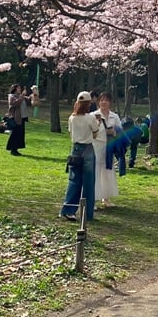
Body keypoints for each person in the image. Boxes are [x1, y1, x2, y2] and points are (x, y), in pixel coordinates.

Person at [60, 91, 101, 222]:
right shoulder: (90, 118)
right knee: (88, 183)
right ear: (88, 104)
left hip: (75, 149)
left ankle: (68, 210)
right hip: (88, 149)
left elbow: (70, 132)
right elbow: (95, 134)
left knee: (74, 181)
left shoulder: (72, 118)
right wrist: (98, 123)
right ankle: (87, 213)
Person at [93, 92, 121, 208]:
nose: (104, 102)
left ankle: (106, 198)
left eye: (106, 100)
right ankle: (92, 198)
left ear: (110, 102)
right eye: (102, 100)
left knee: (107, 171)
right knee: (96, 172)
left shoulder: (115, 116)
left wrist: (113, 132)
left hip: (109, 147)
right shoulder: (93, 115)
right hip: (97, 145)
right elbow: (90, 131)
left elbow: (120, 132)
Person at [6, 85, 26, 156]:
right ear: (14, 89)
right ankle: (13, 149)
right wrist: (22, 96)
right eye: (18, 88)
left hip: (22, 118)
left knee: (20, 134)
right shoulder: (11, 96)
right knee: (15, 134)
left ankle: (16, 149)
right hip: (16, 118)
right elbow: (15, 104)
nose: (20, 89)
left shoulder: (20, 96)